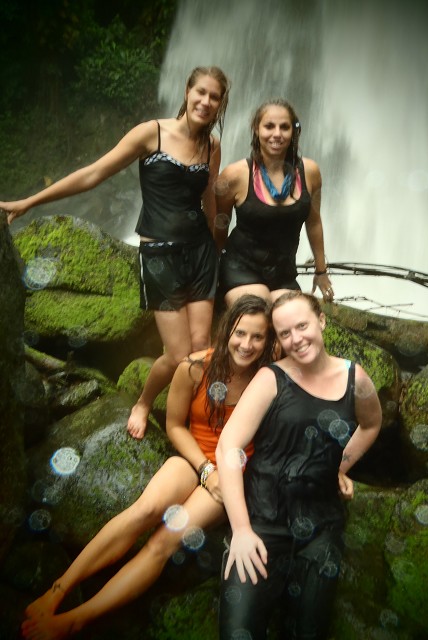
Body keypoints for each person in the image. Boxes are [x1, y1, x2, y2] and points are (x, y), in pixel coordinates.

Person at [20, 294, 276, 640]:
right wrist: (205, 469)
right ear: (227, 330)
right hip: (194, 459)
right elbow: (175, 426)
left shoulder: (268, 378)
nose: (246, 344)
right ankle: (58, 590)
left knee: (164, 541)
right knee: (144, 510)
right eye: (240, 333)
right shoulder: (195, 367)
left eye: (257, 336)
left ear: (268, 340)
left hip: (231, 477)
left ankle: (76, 619)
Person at [0, 66, 231, 440]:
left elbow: (208, 197)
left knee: (201, 350)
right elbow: (93, 174)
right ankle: (144, 401)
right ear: (187, 92)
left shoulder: (212, 146)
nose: (205, 101)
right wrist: (30, 202)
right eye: (200, 92)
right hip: (160, 256)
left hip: (201, 254)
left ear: (221, 104)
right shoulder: (151, 133)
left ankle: (190, 422)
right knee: (177, 354)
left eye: (214, 96)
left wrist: (219, 246)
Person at [216, 291, 382, 640]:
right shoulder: (270, 379)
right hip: (262, 522)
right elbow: (229, 446)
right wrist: (242, 530)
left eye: (302, 326)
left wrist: (339, 466)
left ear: (321, 321)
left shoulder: (355, 379)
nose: (296, 339)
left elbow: (371, 424)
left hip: (319, 528)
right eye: (285, 333)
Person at [214, 98, 334, 308]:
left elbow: (314, 222)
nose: (277, 134)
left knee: (294, 314)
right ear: (256, 129)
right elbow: (220, 225)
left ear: (294, 131)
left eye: (284, 127)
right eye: (269, 126)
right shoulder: (234, 175)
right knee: (257, 308)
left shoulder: (310, 172)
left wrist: (321, 271)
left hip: (283, 273)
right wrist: (211, 273)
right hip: (240, 269)